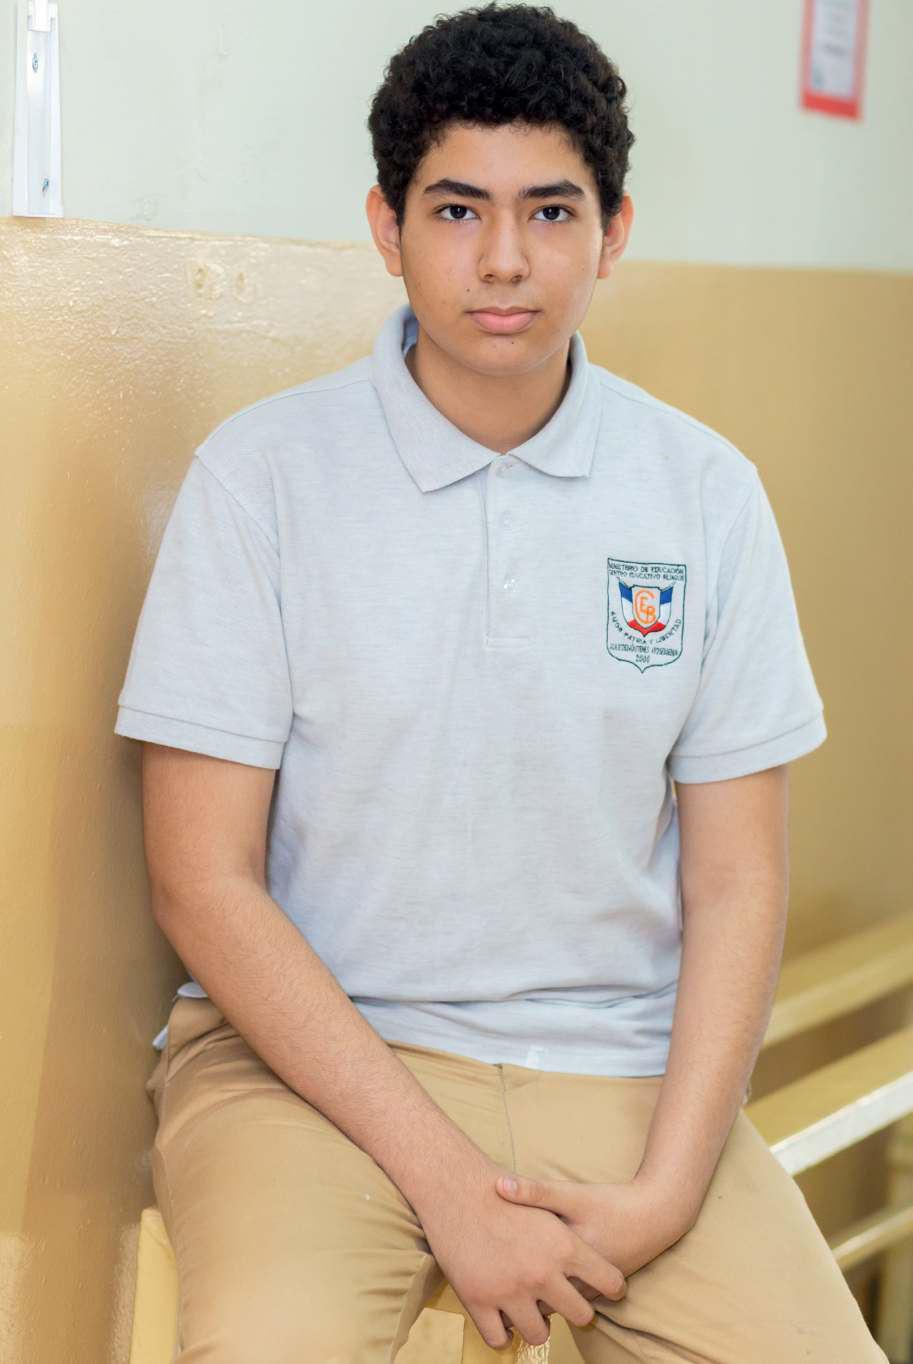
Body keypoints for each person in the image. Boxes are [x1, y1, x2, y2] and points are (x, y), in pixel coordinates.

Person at [115, 5, 887, 1360]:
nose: (504, 260)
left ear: (613, 233)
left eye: (551, 211)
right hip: (305, 1072)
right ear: (387, 227)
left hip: (617, 1068)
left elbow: (735, 881)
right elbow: (202, 882)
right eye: (457, 209)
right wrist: (450, 1184)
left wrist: (664, 1194)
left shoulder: (704, 495)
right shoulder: (261, 480)